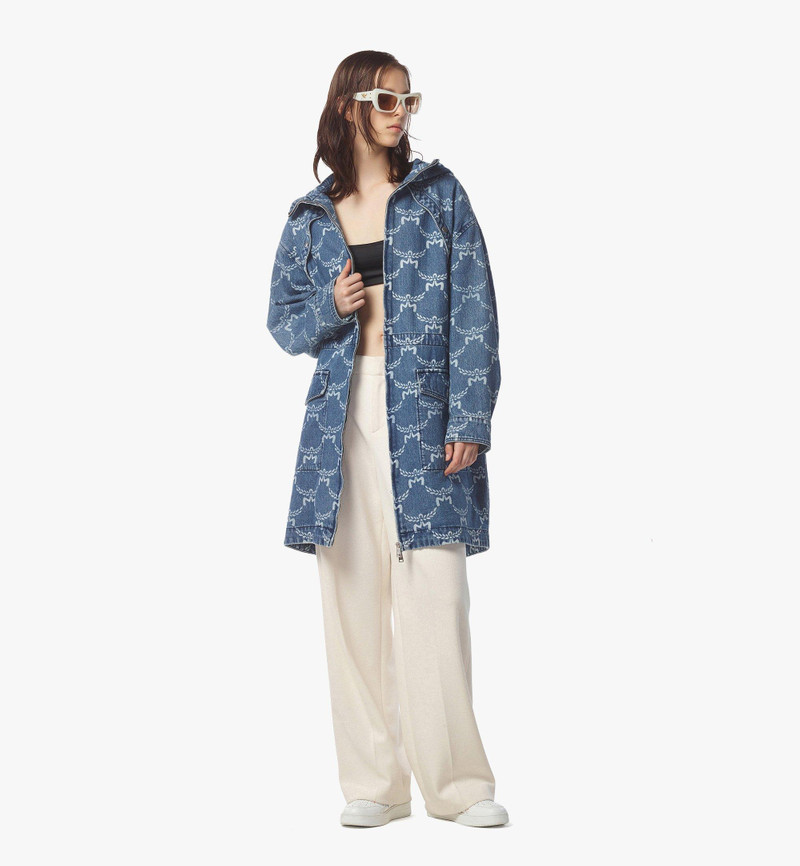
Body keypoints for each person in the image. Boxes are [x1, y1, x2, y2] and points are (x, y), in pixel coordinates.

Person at [267, 51, 507, 828]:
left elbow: (476, 308)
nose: (400, 112)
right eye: (385, 98)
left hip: (425, 414)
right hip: (339, 423)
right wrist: (331, 306)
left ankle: (459, 786)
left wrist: (469, 418)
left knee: (437, 596)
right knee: (353, 601)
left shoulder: (438, 196)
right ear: (349, 106)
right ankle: (374, 783)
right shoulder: (311, 215)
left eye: (409, 99)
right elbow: (284, 322)